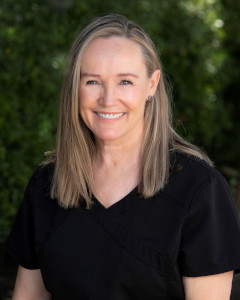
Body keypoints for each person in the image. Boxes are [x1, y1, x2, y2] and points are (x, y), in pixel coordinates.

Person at [7, 14, 240, 300]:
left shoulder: (199, 189)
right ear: (74, 87)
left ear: (152, 85)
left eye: (125, 82)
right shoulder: (46, 186)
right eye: (92, 81)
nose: (107, 99)